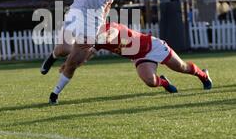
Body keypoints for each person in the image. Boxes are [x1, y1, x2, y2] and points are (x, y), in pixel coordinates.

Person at [40, 0, 124, 105]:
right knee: (64, 49)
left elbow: (107, 7)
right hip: (77, 14)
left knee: (73, 63)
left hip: (93, 24)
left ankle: (54, 94)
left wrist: (101, 27)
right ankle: (52, 56)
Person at [55, 22, 212, 104]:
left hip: (153, 46)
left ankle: (203, 75)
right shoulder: (95, 39)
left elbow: (113, 33)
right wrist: (71, 64)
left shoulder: (109, 27)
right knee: (150, 82)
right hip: (140, 56)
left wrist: (103, 39)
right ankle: (164, 83)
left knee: (181, 67)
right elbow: (88, 55)